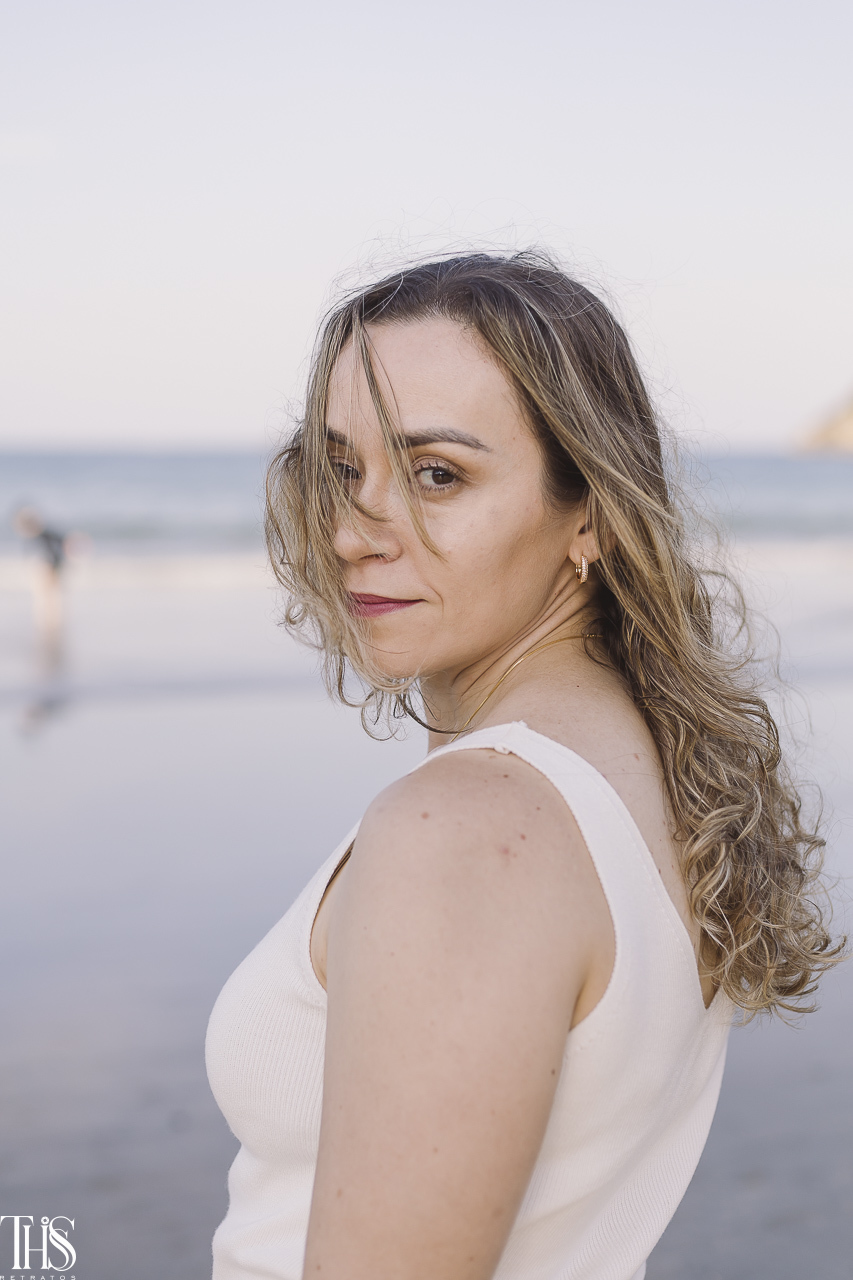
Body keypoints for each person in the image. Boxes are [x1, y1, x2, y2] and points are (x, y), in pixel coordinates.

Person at [205, 252, 841, 1280]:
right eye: (339, 468)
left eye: (436, 473)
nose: (350, 531)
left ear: (586, 509)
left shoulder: (466, 828)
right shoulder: (647, 764)